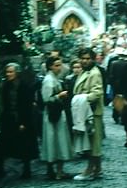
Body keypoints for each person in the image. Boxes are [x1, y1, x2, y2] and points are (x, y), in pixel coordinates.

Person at [0, 62, 39, 179]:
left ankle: (26, 170)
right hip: (9, 119)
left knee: (24, 146)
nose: (8, 74)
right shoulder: (6, 86)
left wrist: (24, 122)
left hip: (21, 120)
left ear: (17, 73)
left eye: (11, 72)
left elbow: (27, 106)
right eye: (7, 72)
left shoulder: (24, 87)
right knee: (2, 144)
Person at [73, 47, 104, 180]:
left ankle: (89, 170)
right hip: (86, 111)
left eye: (87, 59)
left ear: (92, 59)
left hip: (92, 111)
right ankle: (97, 169)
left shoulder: (94, 73)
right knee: (93, 141)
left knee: (92, 143)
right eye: (83, 58)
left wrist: (83, 98)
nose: (85, 61)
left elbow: (97, 92)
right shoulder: (84, 72)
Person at [40, 54, 74, 180]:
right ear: (50, 67)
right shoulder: (49, 80)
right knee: (54, 139)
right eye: (57, 65)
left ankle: (56, 169)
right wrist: (60, 96)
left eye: (60, 65)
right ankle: (55, 169)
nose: (59, 68)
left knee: (56, 140)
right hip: (52, 114)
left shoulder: (54, 78)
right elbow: (46, 98)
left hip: (56, 113)